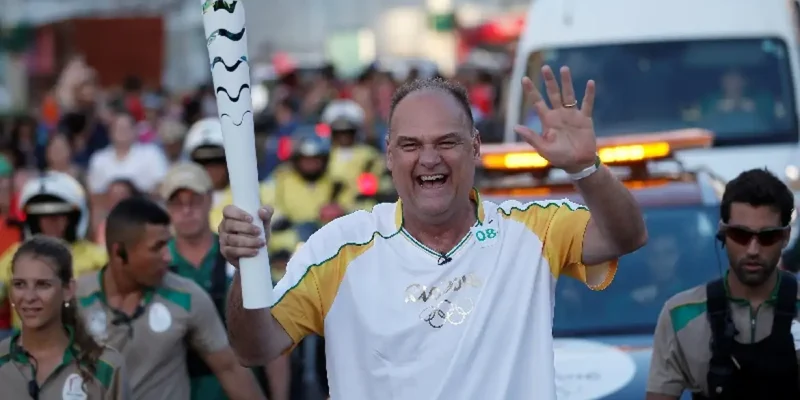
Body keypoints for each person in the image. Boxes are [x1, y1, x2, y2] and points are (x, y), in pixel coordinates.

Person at [217, 66, 648, 399]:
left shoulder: (532, 229)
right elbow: (255, 349)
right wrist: (246, 270)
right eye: (410, 145)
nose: (429, 159)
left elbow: (624, 236)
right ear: (388, 153)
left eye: (447, 142)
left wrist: (585, 169)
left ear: (475, 146)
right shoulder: (339, 247)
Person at [74, 197, 266, 400]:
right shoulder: (75, 300)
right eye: (157, 247)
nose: (168, 257)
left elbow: (230, 369)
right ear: (119, 253)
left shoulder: (187, 297)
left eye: (168, 244)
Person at [647, 169, 799, 400]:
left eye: (767, 237)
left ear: (785, 237)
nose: (753, 250)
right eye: (740, 235)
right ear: (723, 233)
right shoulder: (681, 314)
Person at [161, 162, 290, 400]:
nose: (186, 210)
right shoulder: (156, 262)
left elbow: (274, 337)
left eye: (194, 200)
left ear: (210, 199)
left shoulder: (238, 252)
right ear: (166, 208)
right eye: (177, 202)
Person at [0, 235, 128, 399]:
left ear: (68, 290)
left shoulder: (106, 366)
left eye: (43, 285)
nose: (29, 297)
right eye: (19, 284)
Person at [0, 171, 107, 333]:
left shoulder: (98, 258)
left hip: (83, 340)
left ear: (73, 218)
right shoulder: (14, 256)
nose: (50, 223)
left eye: (58, 216)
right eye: (42, 217)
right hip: (23, 346)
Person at [182, 117, 271, 231]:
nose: (211, 168)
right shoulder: (183, 202)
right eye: (202, 162)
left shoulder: (255, 195)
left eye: (217, 161)